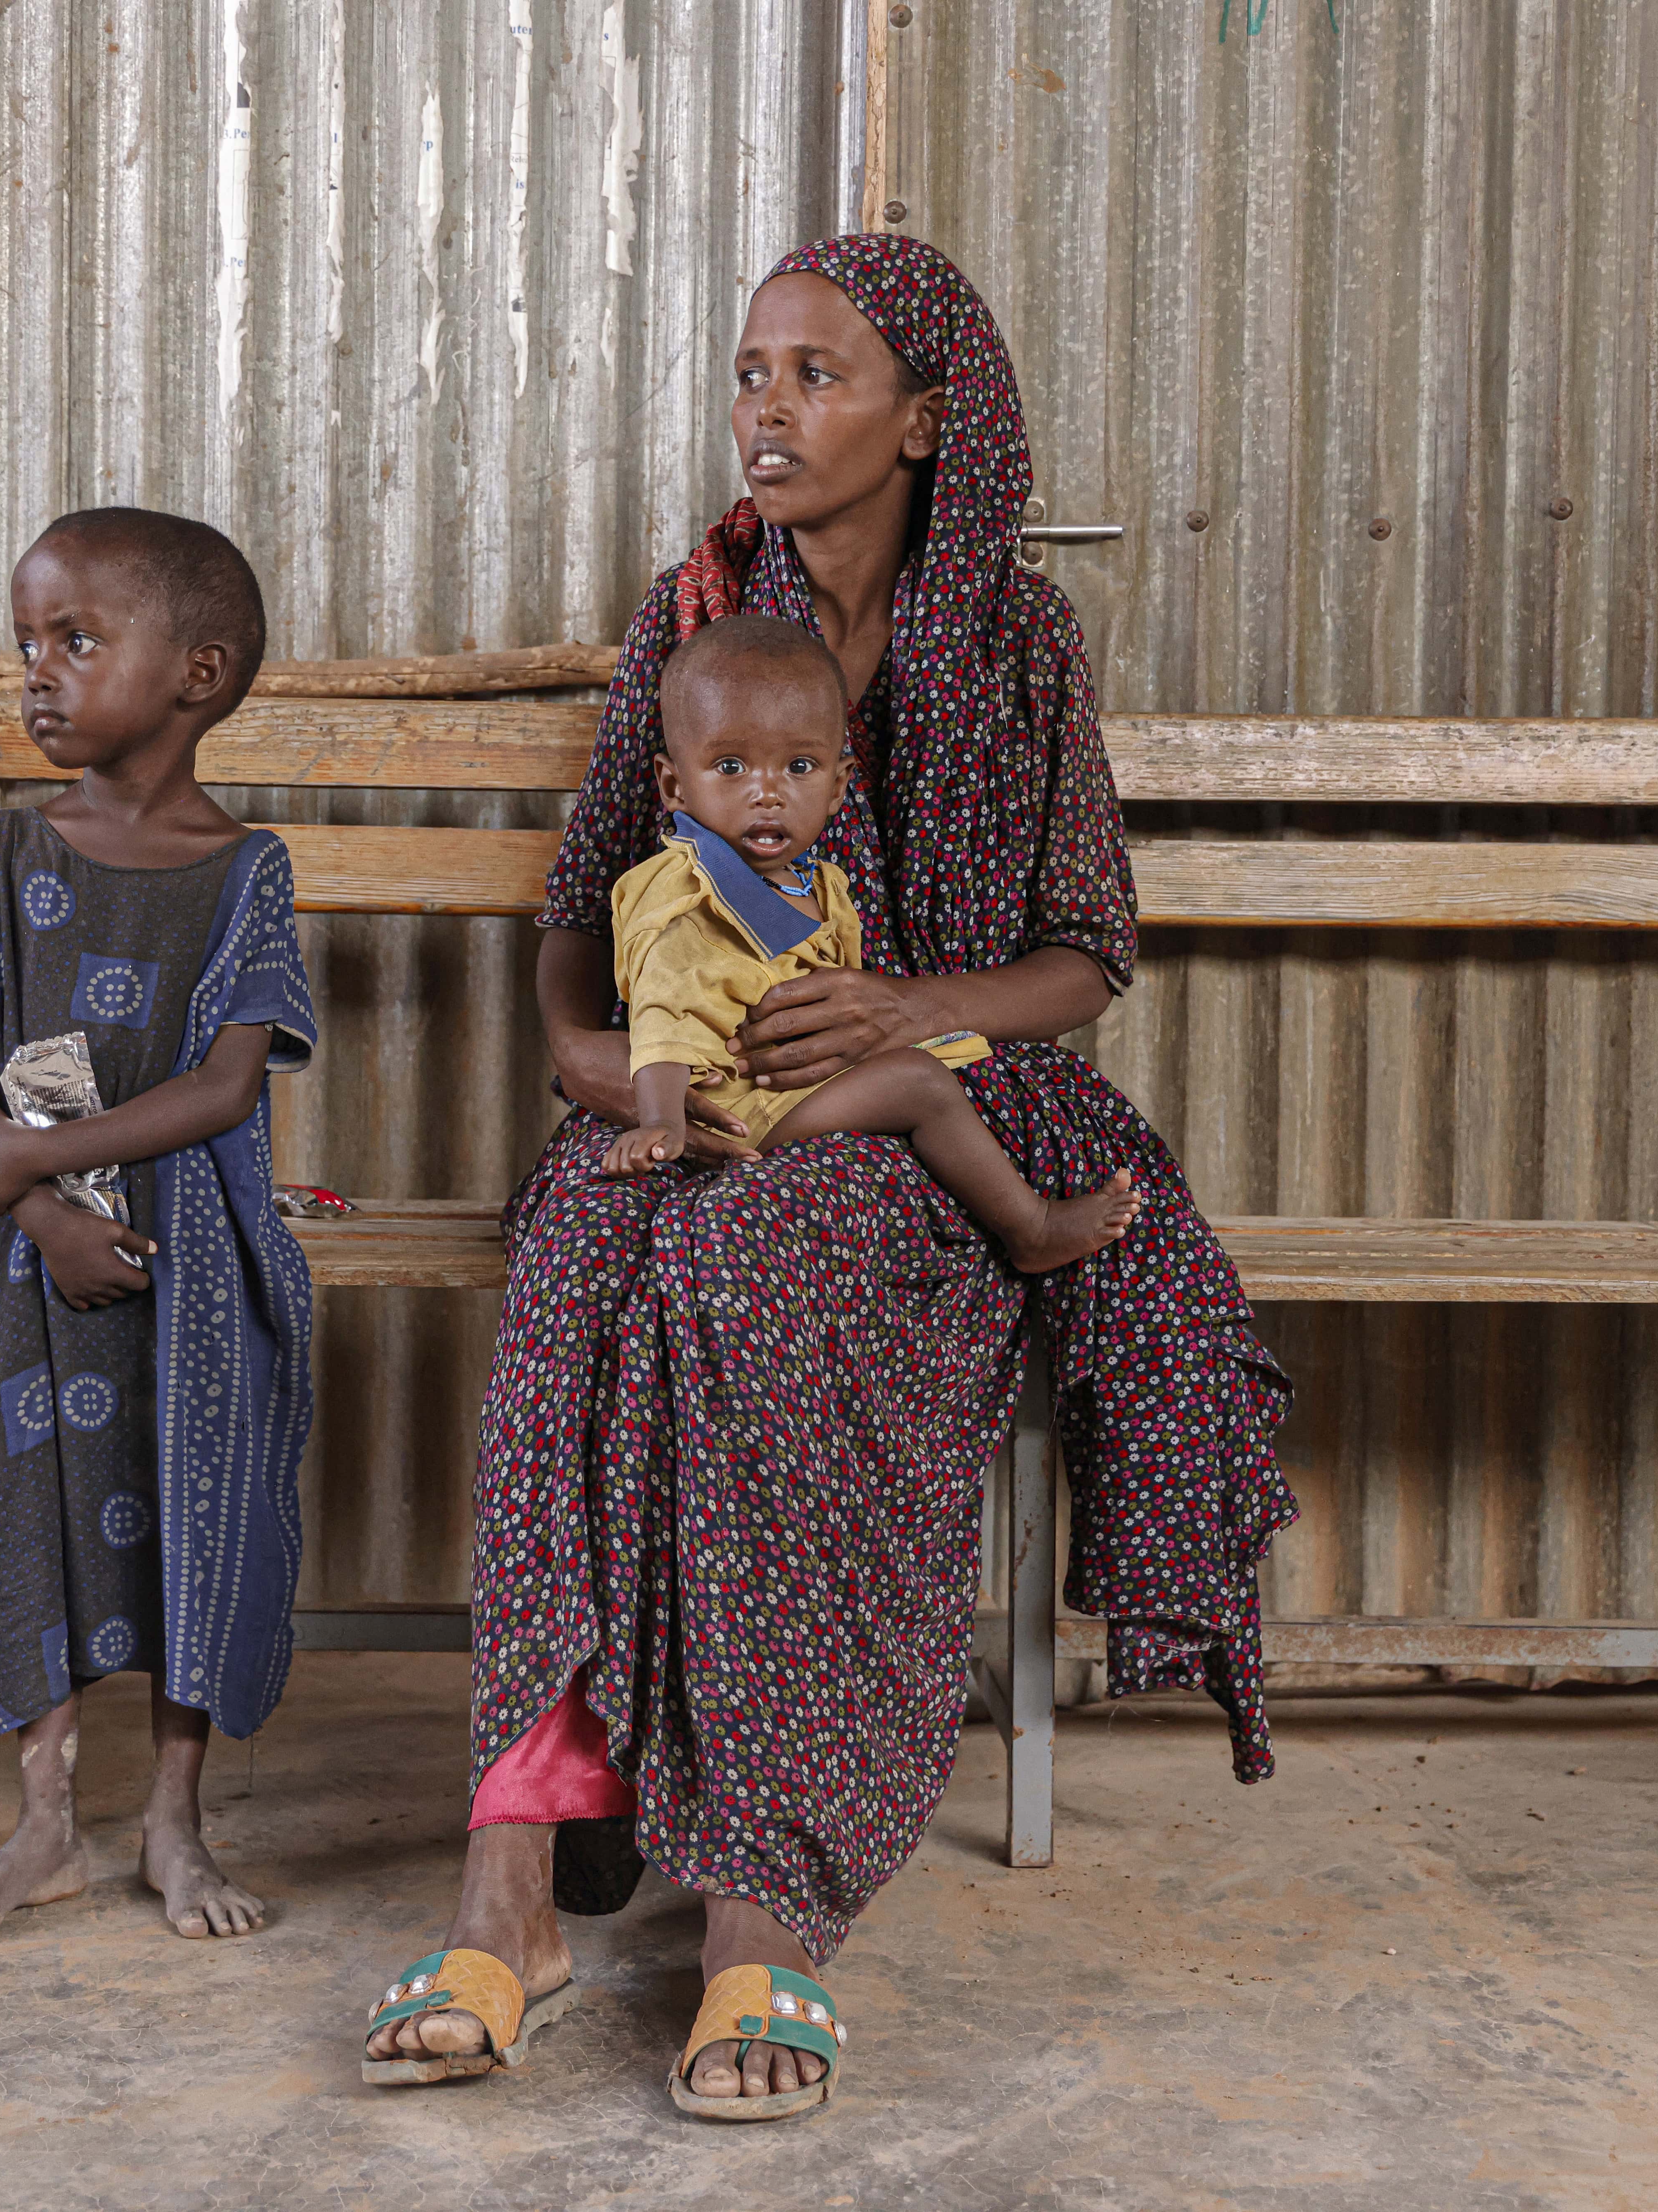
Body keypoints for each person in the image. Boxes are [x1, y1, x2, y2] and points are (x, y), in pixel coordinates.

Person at [361, 234, 1298, 2120]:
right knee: (580, 1271)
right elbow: (576, 922)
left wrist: (901, 1010)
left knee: (760, 1280)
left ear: (927, 419)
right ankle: (510, 1882)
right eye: (747, 372)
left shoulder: (1010, 638)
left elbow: (1081, 957)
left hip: (921, 1117)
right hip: (681, 1096)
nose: (765, 409)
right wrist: (605, 1067)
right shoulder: (693, 610)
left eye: (814, 373)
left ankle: (758, 1918)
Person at [0, 507, 319, 1948]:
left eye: (75, 642)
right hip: (23, 1246)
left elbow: (219, 1086)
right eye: (26, 643)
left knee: (188, 1502)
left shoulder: (247, 870)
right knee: (30, 1501)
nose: (37, 673)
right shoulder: (5, 850)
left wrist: (42, 1166)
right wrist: (22, 1193)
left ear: (196, 673)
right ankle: (44, 1820)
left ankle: (171, 1820)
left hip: (186, 1248)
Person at [597, 609, 1142, 1277]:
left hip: (789, 1085)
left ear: (838, 787)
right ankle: (1031, 1227)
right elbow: (662, 1011)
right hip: (733, 1105)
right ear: (674, 786)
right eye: (731, 766)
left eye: (798, 766)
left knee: (937, 1074)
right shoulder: (683, 893)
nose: (767, 793)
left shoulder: (819, 884)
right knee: (918, 1084)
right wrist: (660, 1125)